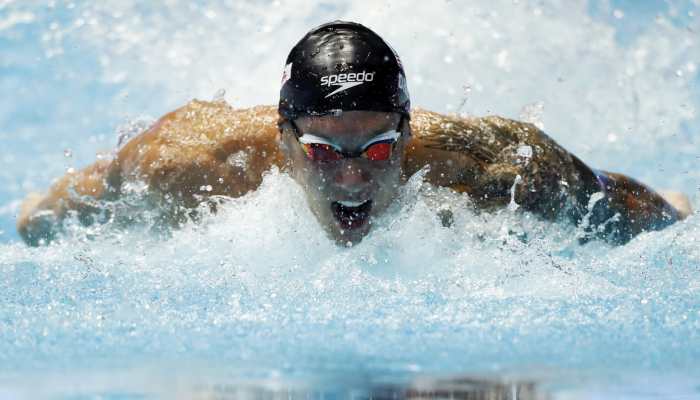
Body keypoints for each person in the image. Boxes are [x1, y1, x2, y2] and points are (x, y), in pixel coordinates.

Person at [16, 21, 692, 247]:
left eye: (374, 148)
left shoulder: (497, 167)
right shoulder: (190, 162)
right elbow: (55, 213)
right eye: (321, 151)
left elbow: (635, 209)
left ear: (407, 132)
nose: (350, 174)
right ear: (283, 139)